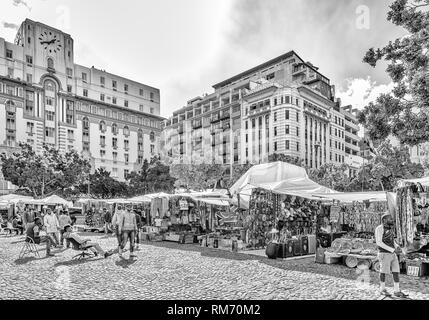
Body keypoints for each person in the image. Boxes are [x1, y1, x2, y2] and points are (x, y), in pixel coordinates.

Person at [375, 212, 409, 298]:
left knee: (396, 271)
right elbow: (379, 242)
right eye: (390, 218)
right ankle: (382, 289)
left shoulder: (390, 228)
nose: (392, 220)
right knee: (383, 271)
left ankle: (396, 291)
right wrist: (393, 249)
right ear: (384, 220)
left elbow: (392, 241)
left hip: (392, 253)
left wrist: (397, 247)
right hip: (384, 253)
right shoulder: (379, 228)